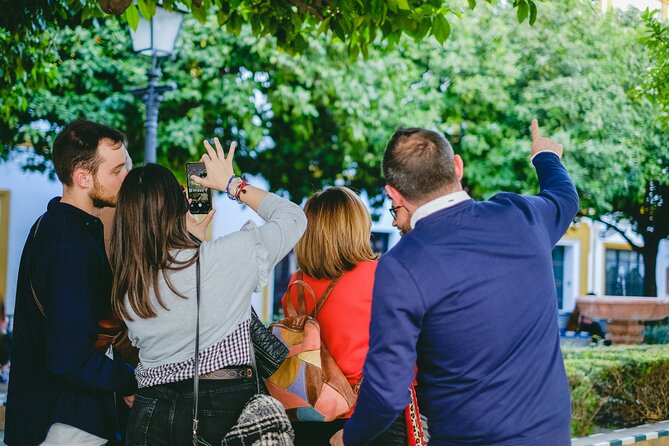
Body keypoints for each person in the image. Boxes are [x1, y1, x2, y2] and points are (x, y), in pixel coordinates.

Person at [331, 119, 579, 446]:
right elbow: (564, 195)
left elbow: (388, 391)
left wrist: (348, 438)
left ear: (393, 193)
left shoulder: (401, 265)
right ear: (457, 167)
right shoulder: (522, 215)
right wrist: (545, 155)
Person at [109, 138, 306, 445]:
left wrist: (191, 244)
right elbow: (293, 218)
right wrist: (233, 184)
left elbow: (177, 297)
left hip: (150, 411)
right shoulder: (229, 255)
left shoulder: (128, 282)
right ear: (180, 204)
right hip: (221, 408)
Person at [6, 119, 138, 446]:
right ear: (83, 177)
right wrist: (130, 380)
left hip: (63, 418)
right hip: (66, 424)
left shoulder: (58, 227)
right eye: (117, 170)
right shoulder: (69, 244)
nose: (126, 178)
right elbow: (69, 356)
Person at [282, 186, 420, 446]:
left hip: (312, 416)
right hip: (373, 420)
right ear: (356, 227)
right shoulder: (382, 276)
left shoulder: (296, 284)